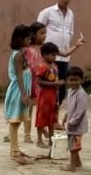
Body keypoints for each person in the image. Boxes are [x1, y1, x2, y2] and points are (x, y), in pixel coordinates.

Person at [36, 0, 86, 103]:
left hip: (64, 57)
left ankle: (56, 110)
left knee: (62, 87)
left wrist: (74, 44)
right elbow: (37, 31)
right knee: (49, 84)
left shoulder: (70, 14)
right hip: (49, 57)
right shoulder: (47, 12)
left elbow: (70, 32)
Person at [4, 24, 35, 165]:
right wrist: (23, 94)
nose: (30, 40)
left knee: (19, 119)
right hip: (17, 91)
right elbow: (19, 75)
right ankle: (15, 152)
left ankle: (15, 149)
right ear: (20, 39)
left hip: (21, 90)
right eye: (28, 38)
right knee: (15, 121)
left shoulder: (20, 53)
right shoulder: (18, 55)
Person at [34, 42, 64, 149]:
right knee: (42, 118)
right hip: (45, 96)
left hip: (54, 96)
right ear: (44, 55)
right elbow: (38, 81)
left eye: (55, 55)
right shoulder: (42, 67)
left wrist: (58, 84)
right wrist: (54, 84)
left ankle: (51, 140)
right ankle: (39, 141)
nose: (54, 57)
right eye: (52, 55)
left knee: (52, 119)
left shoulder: (54, 66)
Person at [22, 22, 47, 144]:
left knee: (41, 109)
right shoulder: (27, 49)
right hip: (30, 82)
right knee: (29, 109)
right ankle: (27, 134)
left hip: (41, 82)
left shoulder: (44, 48)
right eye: (41, 33)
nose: (44, 36)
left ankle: (42, 130)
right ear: (33, 34)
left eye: (45, 33)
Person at [61, 66, 89, 172]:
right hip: (72, 124)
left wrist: (72, 122)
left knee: (73, 146)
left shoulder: (81, 94)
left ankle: (72, 166)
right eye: (71, 80)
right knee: (72, 144)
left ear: (81, 80)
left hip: (77, 126)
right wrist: (66, 116)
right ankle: (77, 163)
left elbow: (80, 112)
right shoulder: (70, 91)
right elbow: (71, 107)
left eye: (76, 80)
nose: (73, 82)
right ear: (67, 80)